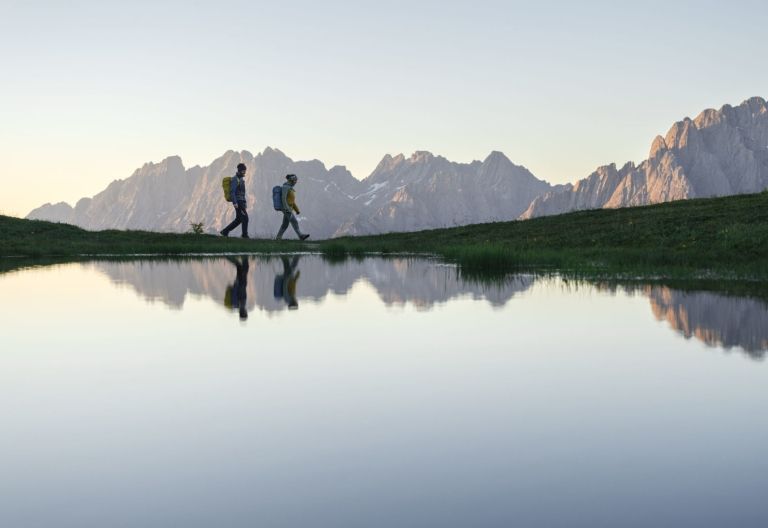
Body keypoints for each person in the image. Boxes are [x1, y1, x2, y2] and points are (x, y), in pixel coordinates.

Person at [276, 173, 310, 240]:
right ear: (291, 180)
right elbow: (283, 198)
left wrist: (297, 210)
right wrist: (286, 208)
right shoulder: (285, 187)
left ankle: (278, 238)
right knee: (294, 221)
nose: (295, 182)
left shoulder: (290, 189)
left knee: (285, 225)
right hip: (287, 209)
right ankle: (300, 236)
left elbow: (292, 202)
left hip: (289, 208)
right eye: (295, 180)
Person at [220, 163, 249, 238]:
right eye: (243, 171)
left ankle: (225, 231)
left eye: (245, 171)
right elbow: (232, 192)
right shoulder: (235, 179)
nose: (244, 172)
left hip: (242, 202)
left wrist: (245, 202)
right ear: (239, 171)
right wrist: (235, 202)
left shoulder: (241, 180)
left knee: (239, 219)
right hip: (238, 202)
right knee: (245, 218)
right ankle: (244, 235)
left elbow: (243, 193)